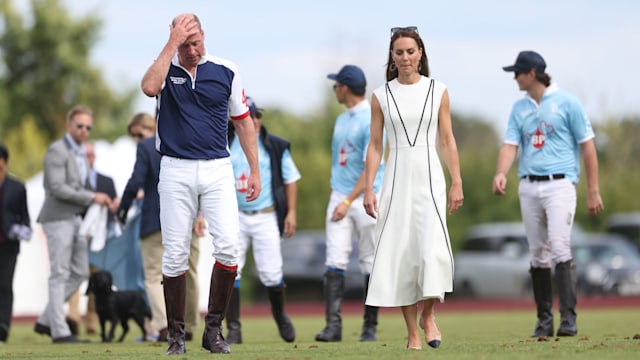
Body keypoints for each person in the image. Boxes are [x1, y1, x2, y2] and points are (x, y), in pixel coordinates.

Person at [141, 13, 260, 355]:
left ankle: (213, 331)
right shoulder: (163, 68)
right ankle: (176, 336)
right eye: (185, 43)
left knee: (228, 248)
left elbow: (243, 122)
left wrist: (254, 170)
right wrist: (171, 44)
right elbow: (149, 87)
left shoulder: (225, 69)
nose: (192, 50)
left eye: (196, 42)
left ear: (204, 36)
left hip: (217, 167)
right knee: (175, 254)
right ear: (175, 40)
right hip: (176, 168)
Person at [363, 26, 464, 350]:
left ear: (420, 53)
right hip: (396, 179)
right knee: (401, 253)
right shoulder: (381, 96)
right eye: (399, 52)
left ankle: (429, 314)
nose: (405, 57)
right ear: (392, 57)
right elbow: (376, 146)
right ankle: (412, 332)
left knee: (432, 250)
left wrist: (456, 182)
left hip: (430, 178)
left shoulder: (438, 90)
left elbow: (447, 139)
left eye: (410, 51)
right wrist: (369, 188)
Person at [492, 50, 604, 338]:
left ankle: (568, 319)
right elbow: (510, 144)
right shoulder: (519, 108)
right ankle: (544, 320)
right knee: (537, 253)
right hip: (529, 185)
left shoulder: (567, 103)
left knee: (559, 246)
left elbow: (588, 146)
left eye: (517, 72)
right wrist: (501, 172)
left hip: (560, 184)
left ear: (531, 74)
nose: (514, 77)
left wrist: (593, 190)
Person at [117, 112, 203, 342]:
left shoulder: (146, 146)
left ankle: (166, 326)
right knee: (189, 273)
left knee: (154, 275)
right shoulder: (188, 139)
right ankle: (191, 325)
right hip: (186, 216)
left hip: (155, 218)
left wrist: (122, 210)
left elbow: (135, 181)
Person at [315, 64, 385, 343]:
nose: (334, 90)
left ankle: (370, 326)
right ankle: (334, 326)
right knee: (334, 260)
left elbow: (371, 165)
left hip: (367, 196)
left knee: (369, 261)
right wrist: (338, 195)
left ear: (345, 87)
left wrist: (348, 199)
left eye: (336, 85)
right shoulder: (341, 119)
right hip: (340, 196)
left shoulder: (372, 117)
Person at [35, 105, 113, 343]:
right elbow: (57, 188)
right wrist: (92, 197)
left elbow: (83, 186)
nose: (84, 131)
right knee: (59, 273)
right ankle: (59, 331)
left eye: (88, 127)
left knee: (80, 271)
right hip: (57, 218)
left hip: (77, 221)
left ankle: (46, 319)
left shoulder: (81, 153)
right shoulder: (57, 151)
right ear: (69, 125)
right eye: (79, 126)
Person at [225, 96, 300, 344]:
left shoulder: (274, 145)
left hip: (266, 215)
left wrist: (291, 212)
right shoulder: (226, 142)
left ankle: (280, 316)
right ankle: (234, 328)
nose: (254, 120)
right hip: (235, 215)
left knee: (271, 272)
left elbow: (290, 179)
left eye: (257, 115)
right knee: (231, 269)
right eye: (249, 115)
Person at [67, 140, 119, 336]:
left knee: (97, 282)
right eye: (83, 155)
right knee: (75, 278)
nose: (88, 159)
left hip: (99, 242)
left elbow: (114, 214)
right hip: (78, 239)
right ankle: (72, 318)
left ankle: (92, 321)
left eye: (90, 155)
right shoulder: (73, 183)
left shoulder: (107, 181)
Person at [0, 144, 32, 344]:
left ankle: (3, 326)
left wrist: (21, 231)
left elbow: (25, 218)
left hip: (8, 245)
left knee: (4, 285)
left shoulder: (17, 187)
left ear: (5, 162)